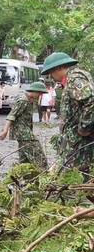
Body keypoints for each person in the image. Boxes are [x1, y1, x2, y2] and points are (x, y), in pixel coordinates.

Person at [41, 52, 94, 180]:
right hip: (73, 142)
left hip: (78, 142)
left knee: (73, 177)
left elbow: (91, 100)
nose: (52, 77)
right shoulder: (73, 79)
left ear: (59, 68)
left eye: (52, 72)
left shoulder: (74, 79)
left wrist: (84, 127)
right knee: (74, 176)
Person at [0, 82, 48, 170]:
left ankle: (24, 176)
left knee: (24, 159)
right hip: (24, 134)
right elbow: (12, 115)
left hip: (24, 133)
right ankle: (45, 174)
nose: (40, 96)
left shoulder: (29, 100)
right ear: (34, 91)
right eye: (39, 93)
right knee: (39, 156)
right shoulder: (23, 100)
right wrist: (5, 131)